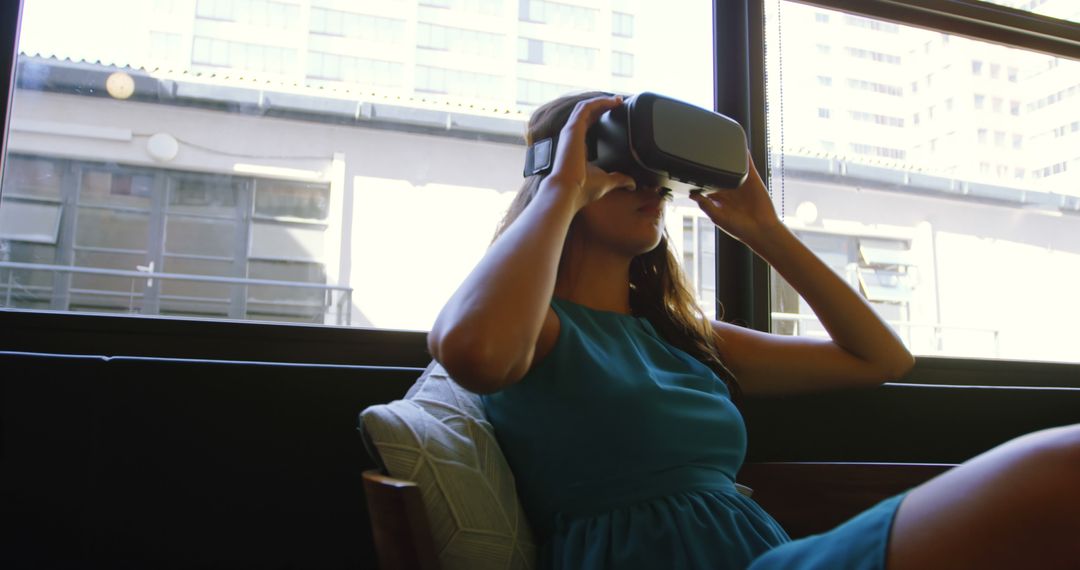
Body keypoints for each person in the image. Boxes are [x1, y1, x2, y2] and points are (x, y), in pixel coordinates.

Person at [427, 91, 1080, 569]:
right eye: (621, 166)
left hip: (765, 556)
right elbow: (475, 352)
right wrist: (561, 191)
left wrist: (766, 233)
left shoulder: (686, 337)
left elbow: (881, 357)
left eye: (656, 173)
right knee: (1056, 469)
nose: (650, 185)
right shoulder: (534, 329)